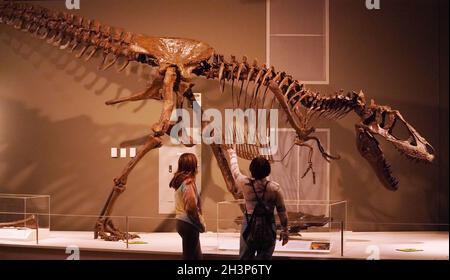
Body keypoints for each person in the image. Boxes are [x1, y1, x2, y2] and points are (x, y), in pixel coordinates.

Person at [227, 145, 289, 260]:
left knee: (245, 259)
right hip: (268, 226)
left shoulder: (245, 184)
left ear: (251, 170)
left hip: (249, 226)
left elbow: (235, 171)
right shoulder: (275, 189)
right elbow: (282, 212)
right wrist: (285, 231)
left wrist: (232, 154)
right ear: (268, 170)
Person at [170, 153, 205, 260]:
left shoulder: (179, 181)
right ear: (192, 166)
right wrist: (199, 223)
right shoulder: (188, 183)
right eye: (196, 164)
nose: (197, 166)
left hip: (181, 222)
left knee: (195, 255)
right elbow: (191, 207)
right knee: (189, 257)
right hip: (188, 223)